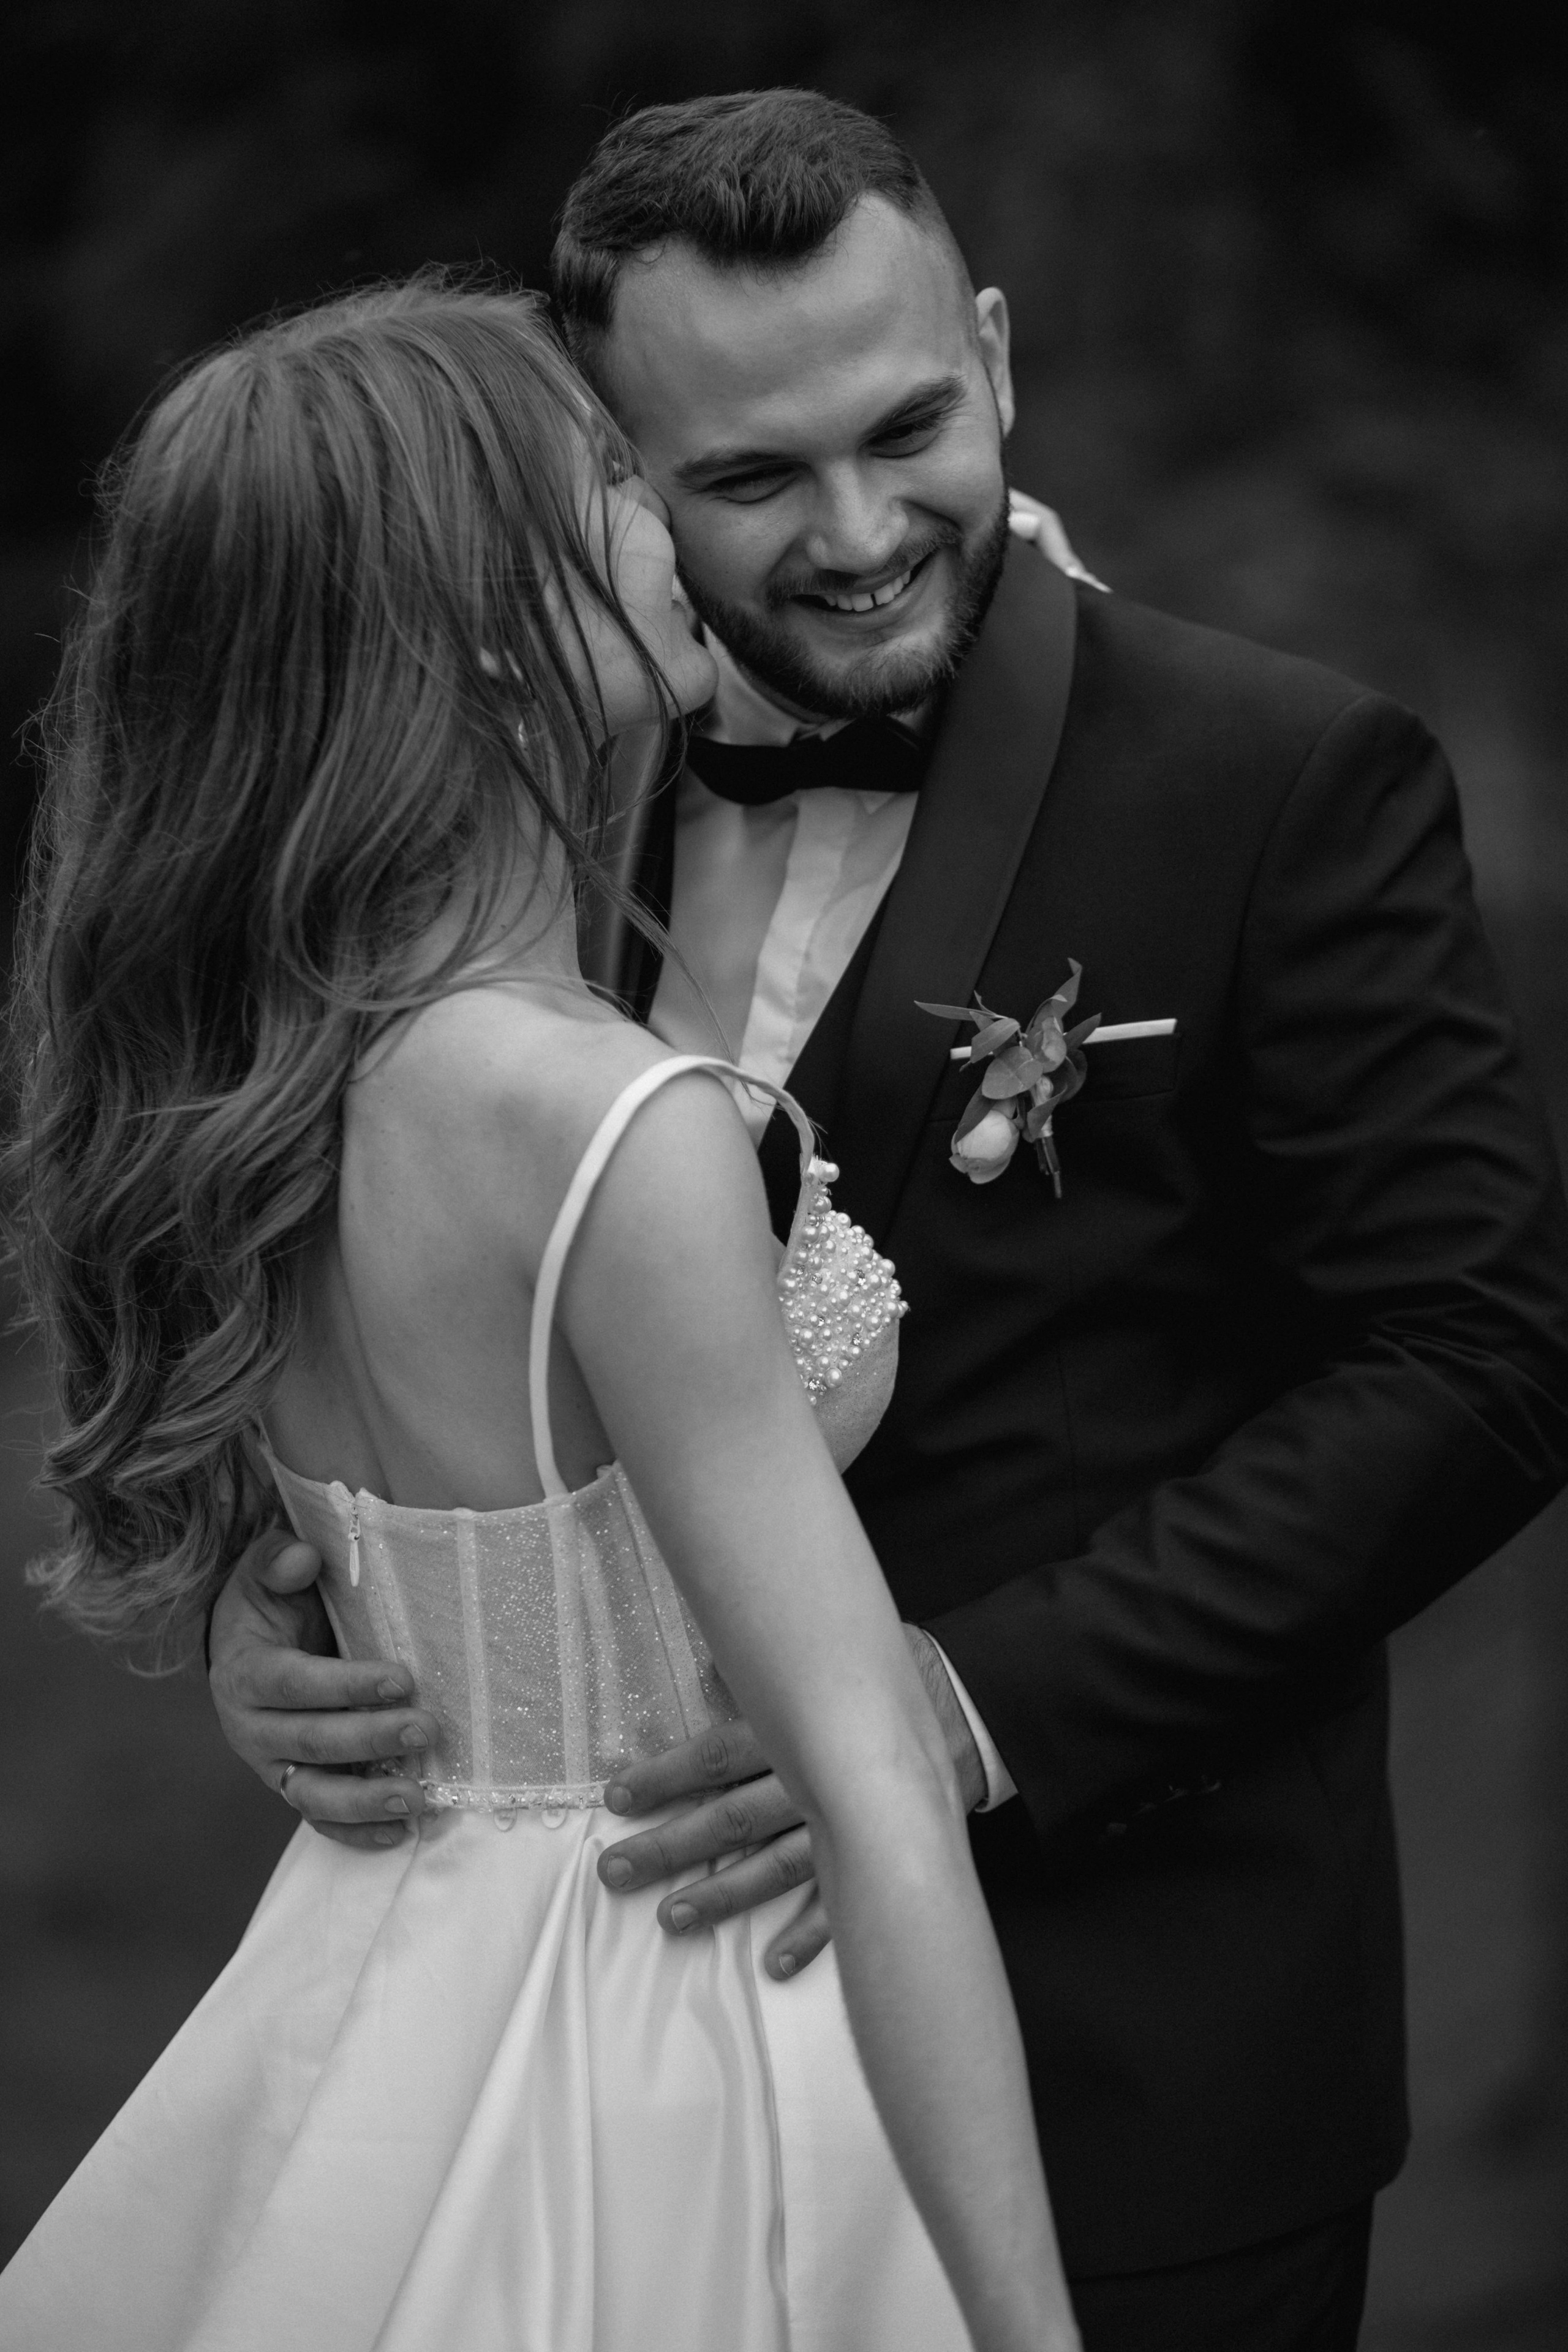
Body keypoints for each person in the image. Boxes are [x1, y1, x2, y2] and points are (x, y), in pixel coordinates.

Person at [209, 92, 1568, 2351]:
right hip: (605, 2073)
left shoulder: (1278, 779)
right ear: (619, 486)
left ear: (1001, 357)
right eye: (748, 479)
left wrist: (962, 1710)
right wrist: (332, 1599)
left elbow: (1479, 1362)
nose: (857, 534)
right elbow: (444, 1276)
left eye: (907, 427)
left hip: (1129, 2037)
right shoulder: (522, 790)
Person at [0, 279, 1080, 2352]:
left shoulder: (284, 1078)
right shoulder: (612, 1124)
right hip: (667, 2011)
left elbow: (378, 1546)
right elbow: (865, 1780)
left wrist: (271, 1620)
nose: (672, 525)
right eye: (608, 480)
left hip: (384, 1973)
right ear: (488, 623)